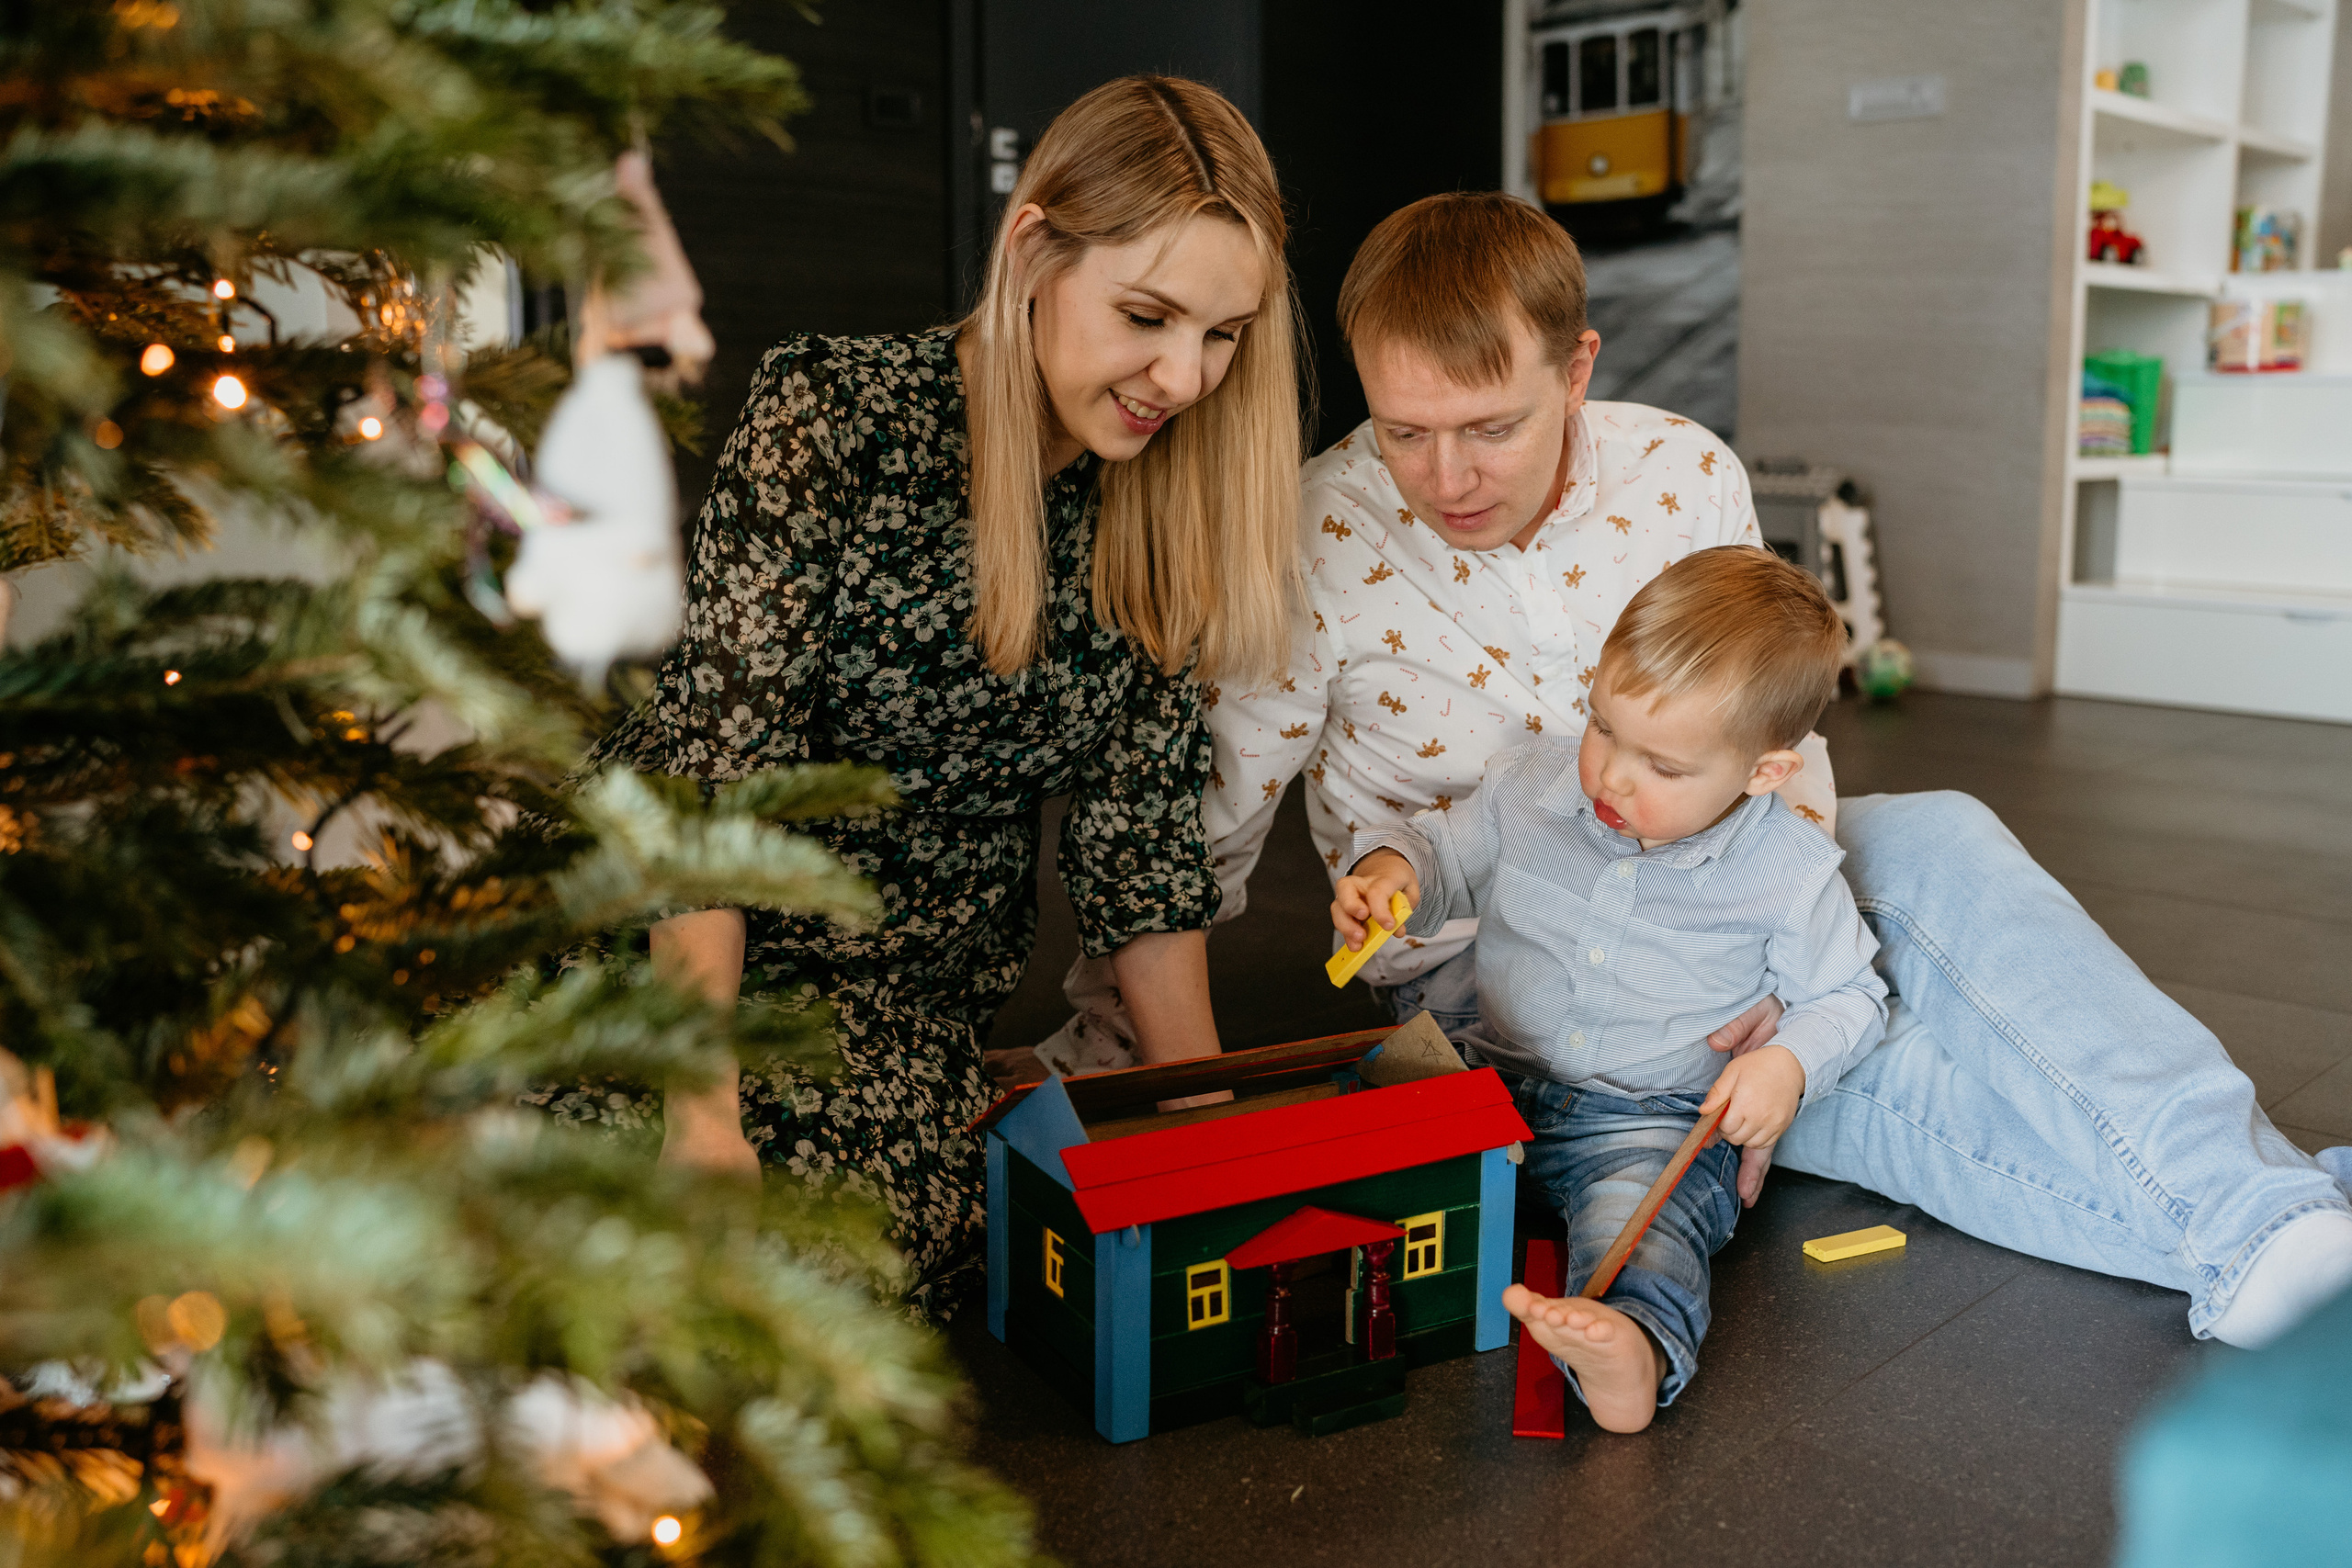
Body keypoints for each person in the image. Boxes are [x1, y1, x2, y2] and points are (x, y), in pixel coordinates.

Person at [1061, 190, 2352, 1348]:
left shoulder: (1683, 473)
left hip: (1726, 888)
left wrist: (1785, 974)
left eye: (1491, 427)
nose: (1445, 477)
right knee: (1878, 1064)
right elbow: (1209, 820)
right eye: (1405, 431)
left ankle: (2267, 1225)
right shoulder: (1315, 527)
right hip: (1509, 972)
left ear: (1576, 369)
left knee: (1938, 846)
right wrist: (1149, 1081)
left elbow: (1774, 735)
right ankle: (2281, 1216)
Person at [537, 75, 1296, 1316]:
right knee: (539, 1192)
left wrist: (1208, 1135)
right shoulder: (833, 414)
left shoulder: (1168, 504)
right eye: (1148, 315)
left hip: (892, 991)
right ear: (1034, 246)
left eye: (1223, 335)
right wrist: (703, 1114)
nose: (1183, 376)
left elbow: (1142, 844)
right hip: (669, 923)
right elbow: (711, 792)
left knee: (797, 1280)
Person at [1339, 547, 1882, 1431]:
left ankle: (1631, 1345)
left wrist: (1787, 1063)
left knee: (1644, 1224)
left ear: (1764, 772)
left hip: (1646, 1116)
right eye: (1602, 727)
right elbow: (1440, 857)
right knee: (1362, 1126)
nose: (1611, 776)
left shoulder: (1790, 872)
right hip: (1485, 1072)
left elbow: (1850, 994)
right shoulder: (1530, 783)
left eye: (1662, 767)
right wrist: (1390, 871)